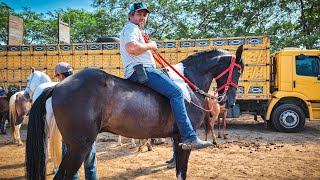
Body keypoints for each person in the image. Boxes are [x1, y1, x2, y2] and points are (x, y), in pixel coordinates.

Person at [119, 2, 212, 150]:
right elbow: (131, 48)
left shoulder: (133, 29)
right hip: (142, 71)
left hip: (139, 70)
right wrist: (151, 46)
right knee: (176, 92)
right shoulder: (131, 28)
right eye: (138, 14)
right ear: (131, 16)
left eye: (144, 15)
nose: (142, 17)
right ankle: (189, 136)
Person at [54, 62, 98, 180]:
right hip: (89, 136)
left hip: (71, 139)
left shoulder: (63, 93)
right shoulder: (85, 89)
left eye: (57, 77)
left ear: (61, 76)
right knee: (91, 167)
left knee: (71, 170)